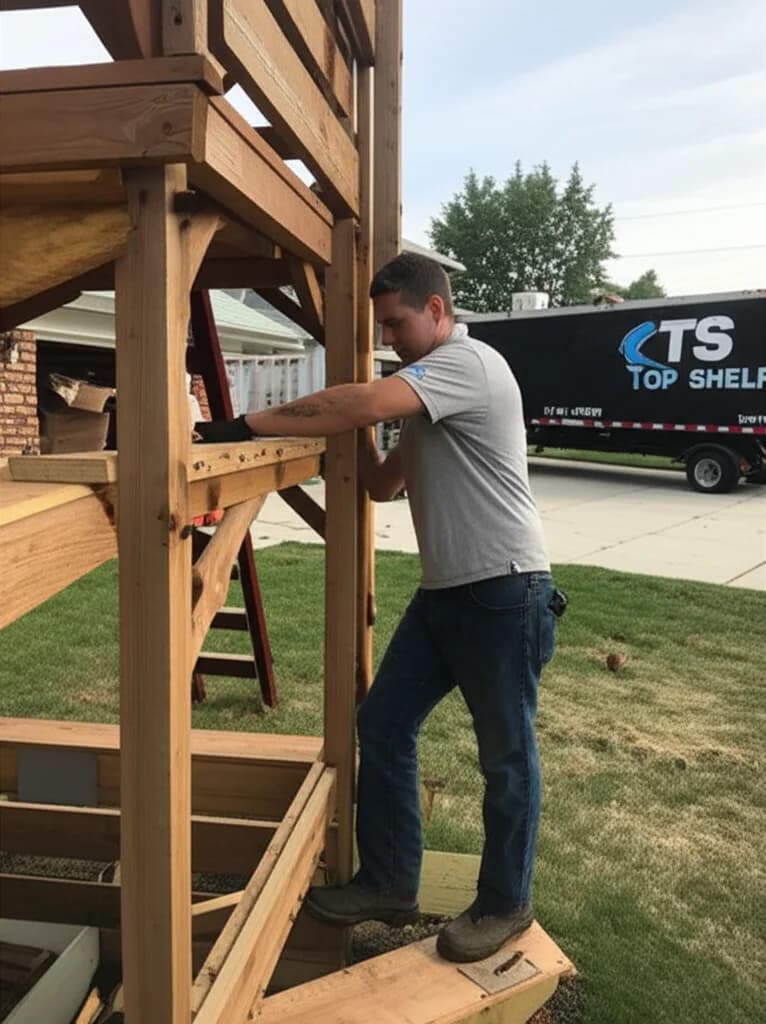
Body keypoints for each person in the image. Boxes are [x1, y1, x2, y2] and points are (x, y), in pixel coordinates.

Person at [195, 252, 562, 963]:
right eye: (382, 327)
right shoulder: (428, 396)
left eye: (397, 323)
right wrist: (346, 426)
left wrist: (248, 425)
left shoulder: (470, 365)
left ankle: (505, 903)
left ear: (437, 310)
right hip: (447, 594)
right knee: (384, 722)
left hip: (503, 592)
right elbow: (380, 484)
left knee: (507, 759)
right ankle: (391, 882)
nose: (390, 339)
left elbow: (363, 400)